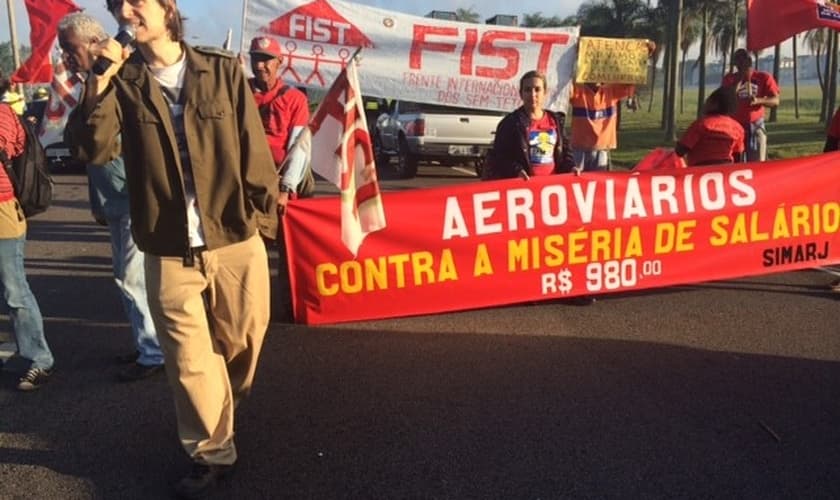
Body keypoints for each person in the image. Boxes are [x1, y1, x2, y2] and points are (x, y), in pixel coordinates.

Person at [64, 1, 279, 498]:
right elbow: (91, 149)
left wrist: (265, 221)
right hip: (165, 242)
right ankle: (212, 451)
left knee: (243, 342)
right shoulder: (120, 80)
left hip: (232, 233)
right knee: (187, 359)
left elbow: (253, 148)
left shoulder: (220, 69)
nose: (125, 10)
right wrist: (99, 78)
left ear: (168, 9)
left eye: (136, 1)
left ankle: (220, 408)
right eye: (118, 4)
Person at [57, 12, 164, 382]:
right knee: (127, 277)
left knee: (133, 278)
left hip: (133, 197)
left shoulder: (123, 80)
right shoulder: (93, 82)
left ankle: (153, 353)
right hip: (115, 201)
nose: (66, 57)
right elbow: (84, 146)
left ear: (94, 43)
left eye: (70, 49)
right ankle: (146, 346)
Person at [0, 70, 55, 391]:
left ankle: (38, 358)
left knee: (14, 290)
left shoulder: (4, 116)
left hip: (4, 211)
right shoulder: (9, 113)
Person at [247, 35, 310, 207]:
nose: (260, 66)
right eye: (256, 59)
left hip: (276, 181)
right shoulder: (238, 92)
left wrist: (286, 188)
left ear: (279, 62)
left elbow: (299, 146)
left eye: (266, 60)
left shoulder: (295, 99)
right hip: (243, 182)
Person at [486, 69, 575, 180]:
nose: (533, 94)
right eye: (528, 90)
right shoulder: (511, 123)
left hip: (551, 187)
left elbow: (566, 154)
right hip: (523, 189)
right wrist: (517, 171)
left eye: (537, 89)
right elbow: (500, 158)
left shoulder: (556, 120)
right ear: (521, 94)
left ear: (545, 93)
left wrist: (572, 168)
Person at [721, 48, 780, 162]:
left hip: (755, 126)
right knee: (735, 163)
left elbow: (775, 100)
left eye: (744, 59)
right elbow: (728, 98)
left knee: (757, 162)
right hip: (734, 127)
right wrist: (740, 77)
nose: (741, 63)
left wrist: (758, 101)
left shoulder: (764, 77)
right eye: (738, 60)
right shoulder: (729, 79)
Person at [675, 86, 744, 166]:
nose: (705, 103)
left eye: (708, 100)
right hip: (726, 172)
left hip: (700, 172)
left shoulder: (701, 124)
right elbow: (738, 157)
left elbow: (680, 151)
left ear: (714, 104)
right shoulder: (738, 128)